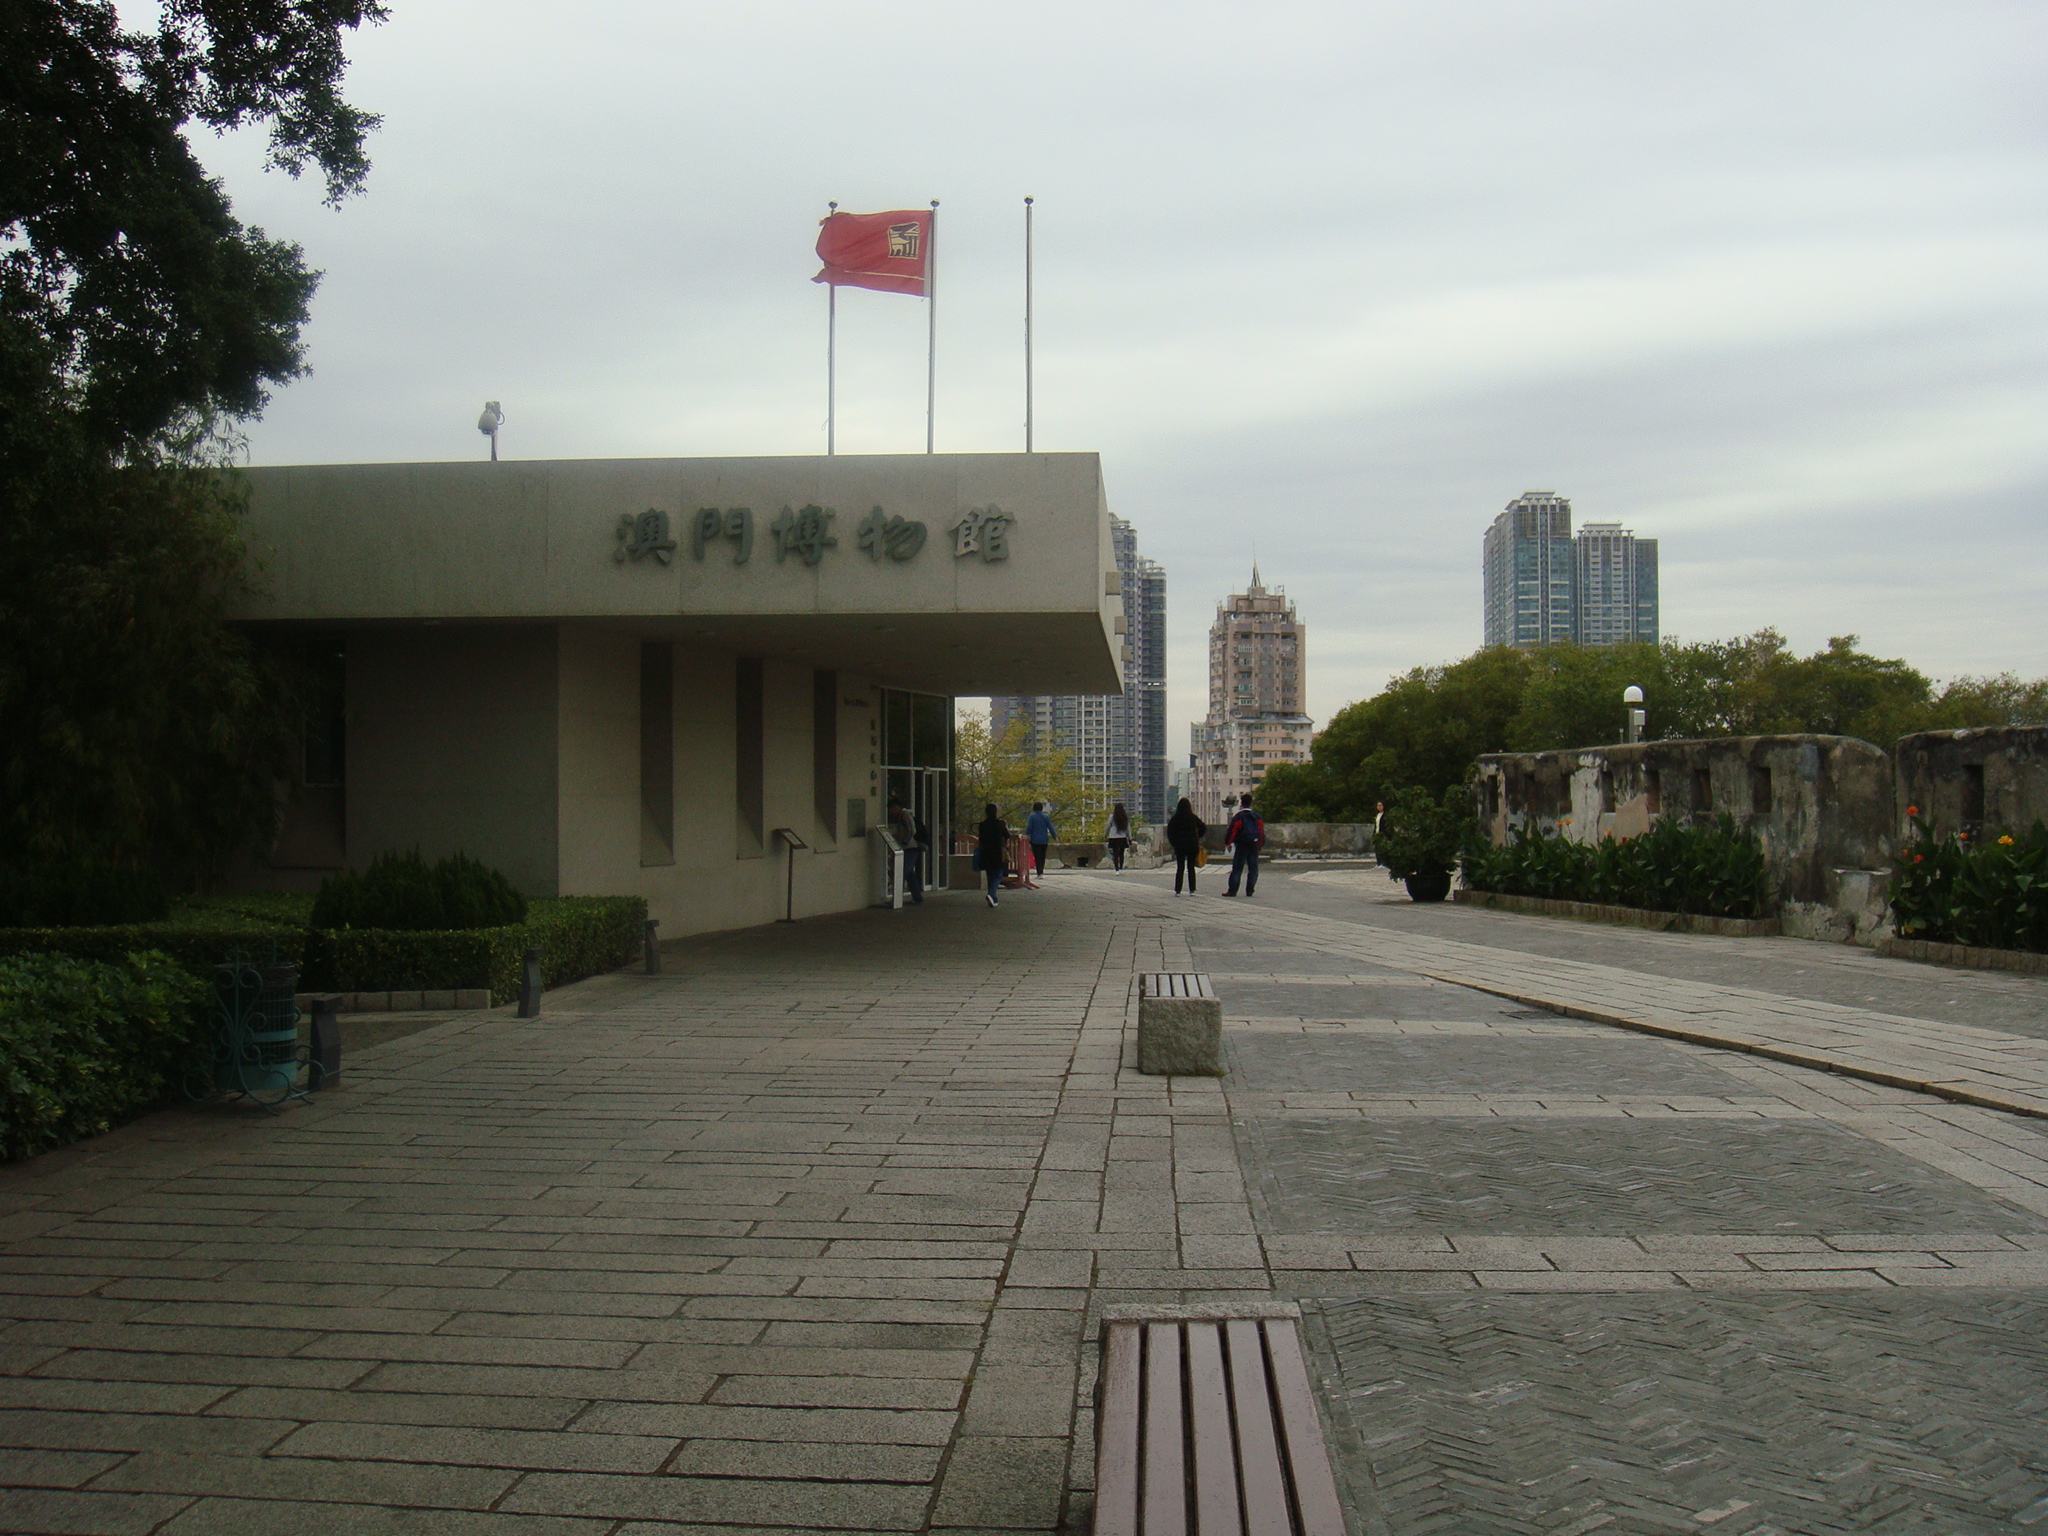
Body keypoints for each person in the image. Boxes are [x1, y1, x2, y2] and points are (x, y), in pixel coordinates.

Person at [1223, 792, 1265, 897]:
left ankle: (1232, 890)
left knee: (1237, 868)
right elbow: (1260, 832)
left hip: (1241, 845)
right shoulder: (1257, 817)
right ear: (1251, 803)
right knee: (1253, 868)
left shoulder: (1239, 817)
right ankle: (1250, 890)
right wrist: (1260, 844)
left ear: (1241, 803)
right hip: (1254, 845)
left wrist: (1228, 843)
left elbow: (1233, 831)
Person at [887, 795, 923, 904]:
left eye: (892, 809)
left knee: (903, 871)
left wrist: (905, 842)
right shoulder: (900, 817)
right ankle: (917, 897)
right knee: (909, 873)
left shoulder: (904, 815)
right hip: (906, 847)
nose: (891, 812)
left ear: (896, 807)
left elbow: (911, 830)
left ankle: (898, 898)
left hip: (910, 848)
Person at [1165, 798, 1206, 894]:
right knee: (1191, 867)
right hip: (1192, 845)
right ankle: (1192, 889)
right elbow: (1203, 827)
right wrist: (1197, 836)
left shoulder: (1175, 819)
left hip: (1180, 846)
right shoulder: (1193, 817)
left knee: (1180, 867)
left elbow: (1170, 832)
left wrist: (1174, 843)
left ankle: (1178, 889)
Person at [976, 803, 1009, 907]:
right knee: (998, 874)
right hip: (997, 851)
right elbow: (1007, 835)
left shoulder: (982, 825)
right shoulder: (1000, 824)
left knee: (990, 874)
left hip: (986, 852)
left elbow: (981, 839)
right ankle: (991, 894)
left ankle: (993, 899)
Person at [1024, 801, 1055, 888]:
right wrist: (1055, 837)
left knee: (1037, 856)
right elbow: (1050, 827)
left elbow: (1029, 828)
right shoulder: (1046, 817)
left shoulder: (1032, 817)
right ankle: (1041, 872)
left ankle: (1039, 873)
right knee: (1042, 856)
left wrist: (1026, 835)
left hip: (1035, 840)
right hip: (1044, 840)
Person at [1103, 802, 1132, 872]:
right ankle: (1121, 868)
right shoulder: (1125, 817)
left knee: (1115, 854)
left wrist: (1105, 835)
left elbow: (1108, 826)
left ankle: (1117, 870)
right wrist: (1130, 838)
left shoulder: (1112, 817)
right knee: (1121, 854)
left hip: (1113, 837)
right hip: (1122, 837)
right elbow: (1128, 828)